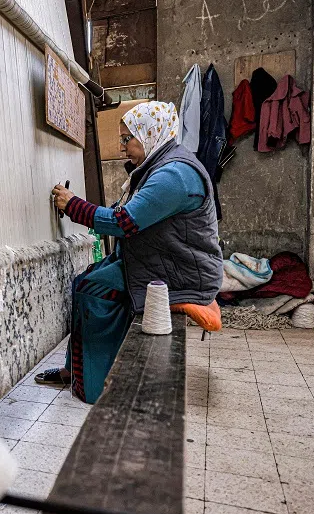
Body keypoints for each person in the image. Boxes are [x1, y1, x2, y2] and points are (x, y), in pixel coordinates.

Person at [36, 101, 222, 404]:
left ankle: (99, 387)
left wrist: (73, 205)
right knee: (85, 279)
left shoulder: (173, 176)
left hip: (182, 272)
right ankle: (76, 371)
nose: (122, 147)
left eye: (127, 138)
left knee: (93, 291)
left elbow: (123, 223)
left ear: (151, 134)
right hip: (161, 262)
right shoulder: (161, 165)